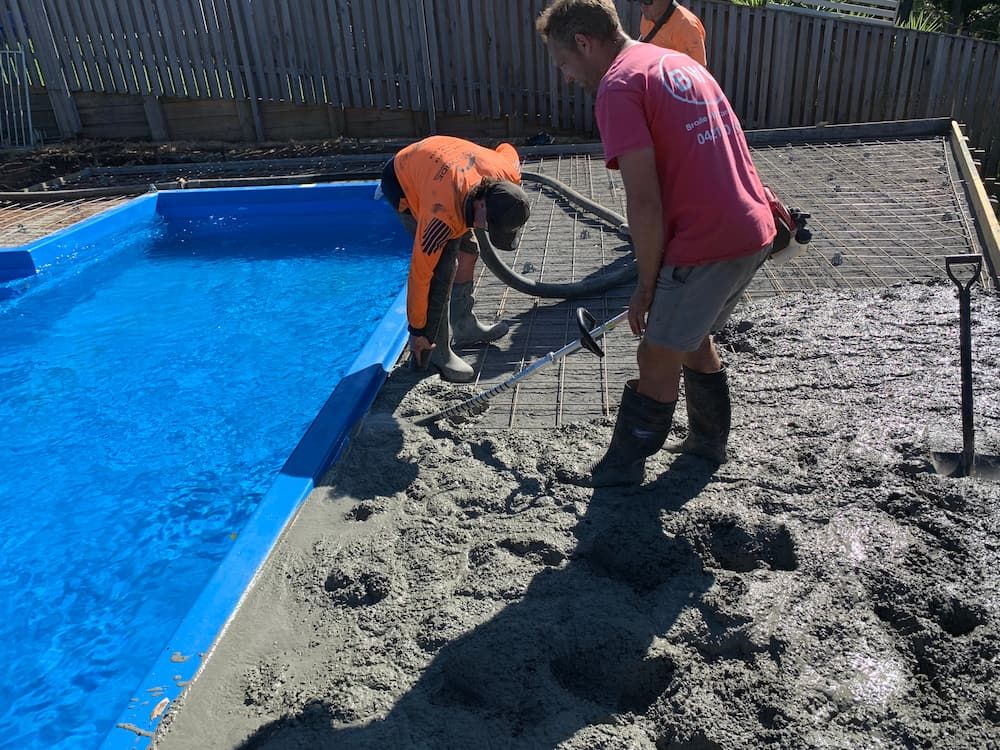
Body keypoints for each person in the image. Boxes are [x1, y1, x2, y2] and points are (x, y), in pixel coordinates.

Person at [536, 0, 775, 486]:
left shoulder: (619, 87)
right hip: (752, 226)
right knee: (688, 333)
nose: (565, 76)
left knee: (656, 351)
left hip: (708, 239)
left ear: (583, 43)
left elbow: (643, 202)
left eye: (563, 62)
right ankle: (707, 442)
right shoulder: (672, 61)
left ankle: (622, 470)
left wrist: (645, 286)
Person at [380, 136, 531, 383]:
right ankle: (437, 350)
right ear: (481, 204)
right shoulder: (440, 220)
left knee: (469, 253)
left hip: (445, 165)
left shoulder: (507, 174)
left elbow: (507, 149)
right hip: (403, 179)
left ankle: (463, 325)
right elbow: (420, 275)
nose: (488, 230)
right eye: (490, 225)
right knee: (443, 268)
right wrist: (418, 330)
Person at [633, 0, 707, 66]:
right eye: (639, 1)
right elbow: (645, 39)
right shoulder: (648, 16)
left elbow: (699, 71)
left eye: (647, 1)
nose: (642, 6)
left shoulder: (687, 26)